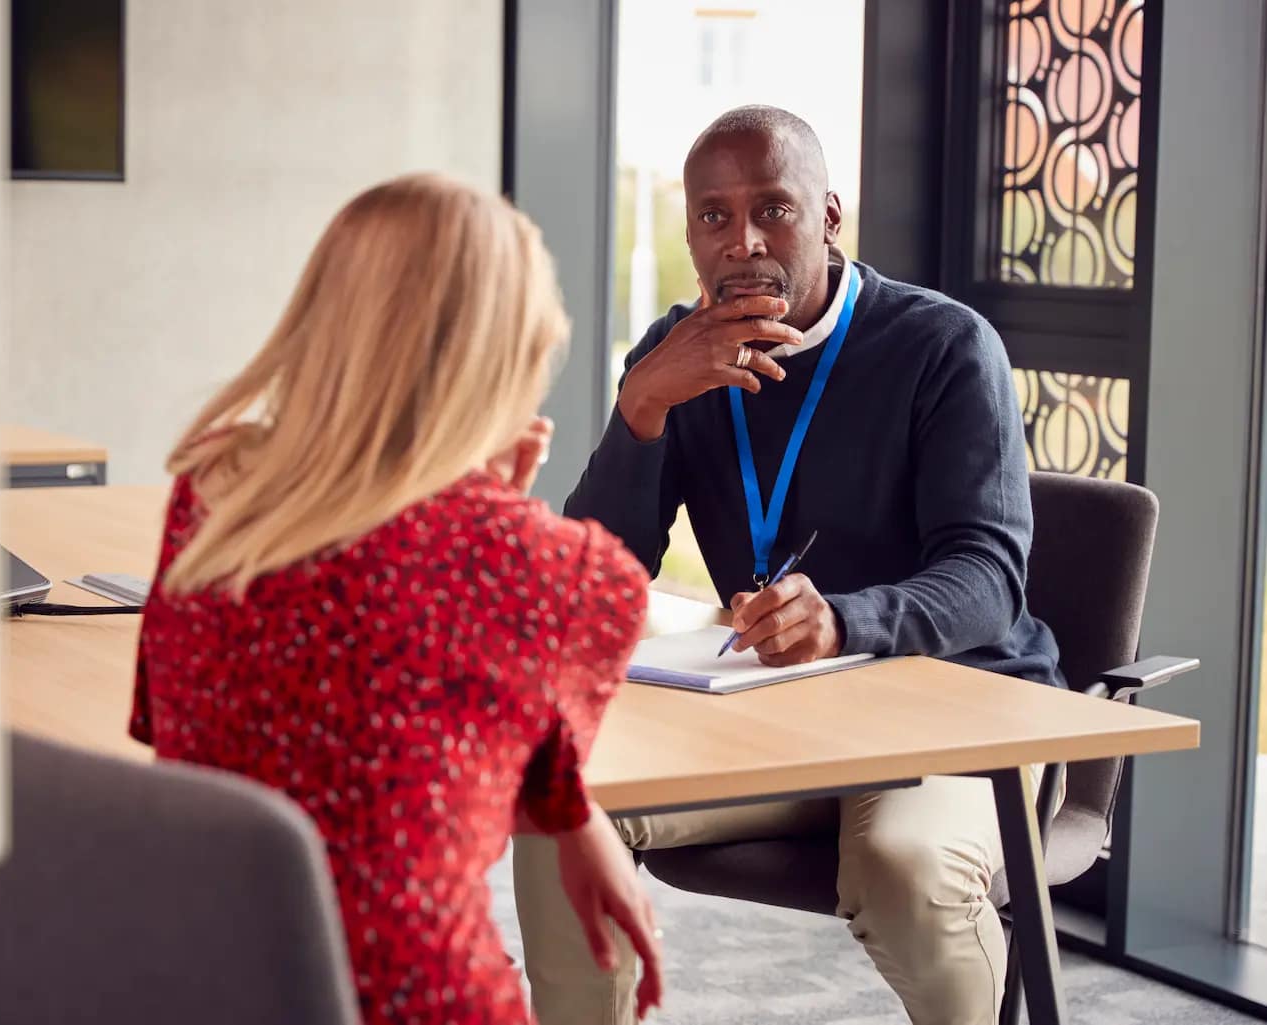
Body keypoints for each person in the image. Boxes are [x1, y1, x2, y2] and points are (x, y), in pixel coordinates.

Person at [513, 106, 1065, 1025]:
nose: (744, 241)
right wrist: (641, 407)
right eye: (715, 216)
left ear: (830, 217)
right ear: (691, 234)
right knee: (558, 803)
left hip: (955, 715)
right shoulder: (676, 357)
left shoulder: (944, 346)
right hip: (775, 718)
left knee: (900, 864)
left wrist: (846, 620)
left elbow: (989, 576)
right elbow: (594, 581)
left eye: (773, 208)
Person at [129, 174, 664, 1025]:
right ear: (516, 357)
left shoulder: (216, 490)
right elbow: (513, 795)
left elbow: (182, 730)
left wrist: (488, 513)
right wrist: (505, 520)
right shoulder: (576, 575)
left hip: (202, 986)